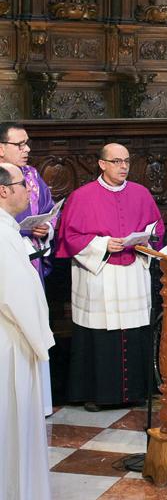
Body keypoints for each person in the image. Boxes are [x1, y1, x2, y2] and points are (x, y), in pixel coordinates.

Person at [56, 143, 164, 411]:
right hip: (99, 275)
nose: (123, 166)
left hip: (132, 274)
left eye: (126, 161)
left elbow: (157, 229)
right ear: (102, 164)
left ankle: (136, 392)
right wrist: (103, 245)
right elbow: (69, 237)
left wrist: (143, 241)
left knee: (134, 332)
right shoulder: (81, 197)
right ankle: (98, 395)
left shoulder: (141, 193)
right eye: (116, 161)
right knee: (100, 336)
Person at [0, 162, 54, 500]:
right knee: (13, 426)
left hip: (15, 336)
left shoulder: (9, 230)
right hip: (12, 341)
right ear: (4, 190)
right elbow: (14, 295)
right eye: (23, 184)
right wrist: (41, 341)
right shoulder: (3, 234)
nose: (29, 190)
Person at [0, 123, 55, 415]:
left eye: (27, 143)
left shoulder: (31, 177)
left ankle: (37, 402)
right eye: (19, 144)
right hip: (7, 256)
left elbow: (48, 208)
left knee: (29, 321)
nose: (27, 149)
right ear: (1, 148)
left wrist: (46, 228)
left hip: (30, 260)